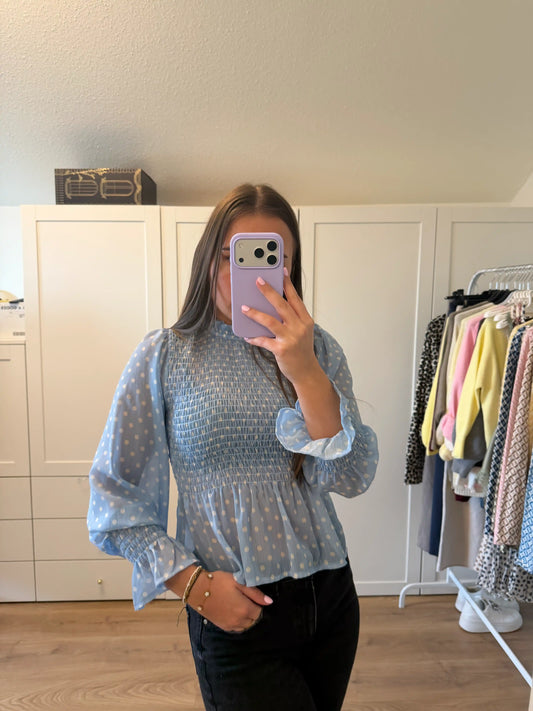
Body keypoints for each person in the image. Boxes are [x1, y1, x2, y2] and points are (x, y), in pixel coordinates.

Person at [87, 183, 378, 711]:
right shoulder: (164, 355)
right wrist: (195, 588)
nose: (255, 275)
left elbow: (352, 476)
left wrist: (304, 371)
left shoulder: (318, 349)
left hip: (331, 597)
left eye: (273, 257)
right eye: (234, 256)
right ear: (208, 259)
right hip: (235, 608)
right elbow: (114, 499)